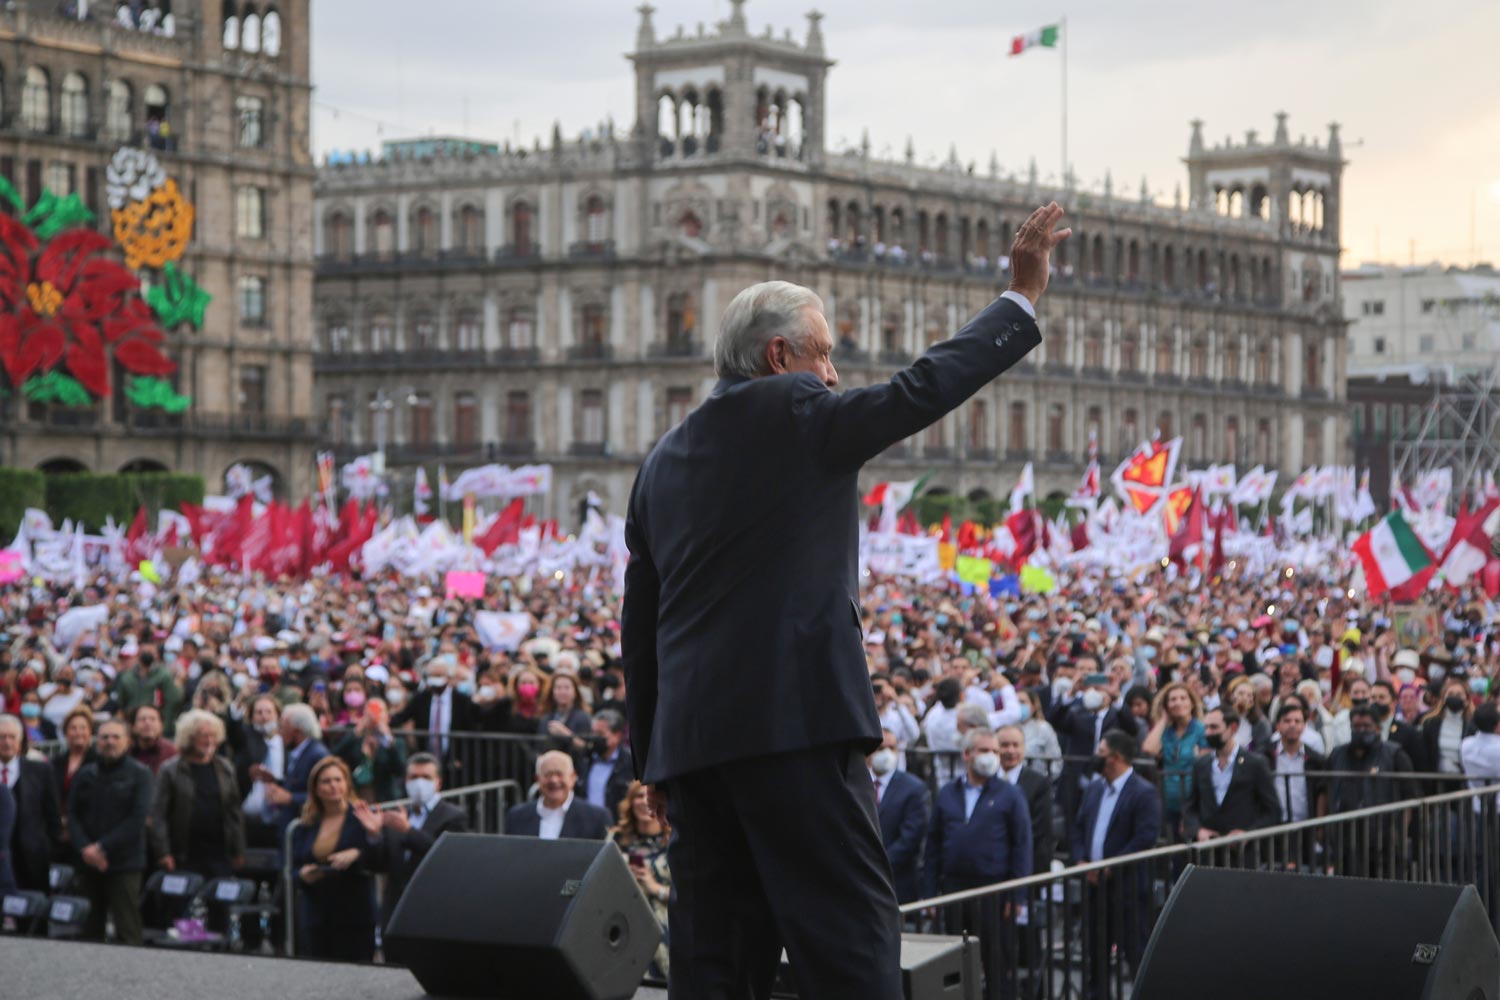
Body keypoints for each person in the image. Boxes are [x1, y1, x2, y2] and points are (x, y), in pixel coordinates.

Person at [622, 204, 1065, 999]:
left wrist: (649, 756)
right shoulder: (795, 411)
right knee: (850, 940)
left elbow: (641, 626)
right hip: (794, 729)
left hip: (692, 751)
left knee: (715, 957)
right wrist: (1019, 302)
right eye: (824, 356)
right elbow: (918, 390)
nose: (834, 377)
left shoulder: (662, 459)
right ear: (780, 353)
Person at [923, 728, 1031, 1000]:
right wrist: (929, 891)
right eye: (985, 751)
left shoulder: (1010, 794)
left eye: (994, 751)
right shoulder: (948, 792)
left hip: (993, 891)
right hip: (954, 889)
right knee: (953, 961)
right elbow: (933, 845)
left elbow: (1021, 845)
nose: (991, 757)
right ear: (967, 754)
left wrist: (1017, 894)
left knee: (996, 961)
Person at [1071, 730, 1161, 1000]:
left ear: (1116, 757)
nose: (1096, 758)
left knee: (1136, 954)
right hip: (1094, 887)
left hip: (1127, 889)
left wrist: (1110, 867)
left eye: (1101, 752)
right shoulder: (1095, 788)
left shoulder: (1143, 792)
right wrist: (1081, 862)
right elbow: (1078, 829)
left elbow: (1145, 837)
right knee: (1096, 954)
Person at [69, 718, 153, 945]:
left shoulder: (140, 774)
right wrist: (86, 849)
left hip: (124, 863)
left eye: (116, 737)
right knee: (88, 928)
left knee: (127, 929)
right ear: (97, 742)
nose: (110, 742)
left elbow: (137, 819)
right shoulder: (85, 774)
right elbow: (73, 815)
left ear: (127, 742)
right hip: (88, 862)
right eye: (105, 737)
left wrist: (102, 848)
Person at [291, 755, 384, 961]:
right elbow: (293, 866)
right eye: (326, 781)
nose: (333, 785)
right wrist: (303, 875)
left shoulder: (361, 816)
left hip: (354, 914)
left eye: (338, 779)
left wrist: (366, 844)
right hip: (317, 914)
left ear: (346, 783)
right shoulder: (307, 823)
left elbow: (378, 859)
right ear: (315, 788)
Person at [378, 752, 469, 933]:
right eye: (413, 777)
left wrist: (408, 831)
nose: (419, 782)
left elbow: (445, 855)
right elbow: (383, 862)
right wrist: (373, 835)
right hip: (395, 911)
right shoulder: (399, 815)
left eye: (426, 777)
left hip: (431, 910)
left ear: (438, 782)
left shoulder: (453, 815)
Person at [151, 709, 245, 879]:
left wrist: (238, 849)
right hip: (183, 854)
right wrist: (163, 853)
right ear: (189, 737)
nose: (209, 740)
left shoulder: (225, 768)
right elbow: (158, 815)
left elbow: (234, 812)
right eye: (203, 735)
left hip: (219, 854)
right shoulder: (170, 770)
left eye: (212, 735)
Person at [1181, 708, 1280, 842]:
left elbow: (1272, 810)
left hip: (1243, 852)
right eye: (1206, 728)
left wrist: (1248, 834)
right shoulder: (1201, 764)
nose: (1208, 732)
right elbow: (1190, 806)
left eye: (1214, 727)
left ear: (1232, 728)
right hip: (1208, 850)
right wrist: (1198, 830)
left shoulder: (1255, 763)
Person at [610, 780, 672, 978]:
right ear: (630, 802)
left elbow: (693, 896)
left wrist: (655, 887)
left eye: (650, 796)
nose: (644, 801)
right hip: (625, 923)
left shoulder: (677, 841)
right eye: (638, 795)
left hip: (667, 928)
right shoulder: (615, 839)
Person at [0, 713, 62, 892]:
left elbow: (53, 816)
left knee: (32, 914)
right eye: (2, 737)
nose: (7, 742)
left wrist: (48, 850)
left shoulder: (41, 771)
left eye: (12, 737)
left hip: (32, 860)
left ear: (20, 741)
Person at [868, 728, 929, 904]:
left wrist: (880, 864)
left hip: (898, 881)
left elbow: (911, 837)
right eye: (881, 748)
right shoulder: (856, 784)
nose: (886, 753)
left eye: (892, 748)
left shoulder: (914, 788)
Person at [1141, 682, 1206, 842]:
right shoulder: (1167, 732)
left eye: (1183, 698)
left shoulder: (1201, 729)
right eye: (1173, 699)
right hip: (1169, 801)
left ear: (1192, 702)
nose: (1178, 702)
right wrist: (1163, 720)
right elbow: (1149, 748)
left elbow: (1204, 762)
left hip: (1194, 801)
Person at [505, 749, 611, 839]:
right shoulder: (517, 817)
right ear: (537, 779)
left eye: (560, 774)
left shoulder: (597, 818)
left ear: (573, 777)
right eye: (548, 774)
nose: (554, 780)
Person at [997, 724, 1054, 873]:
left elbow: (1038, 827)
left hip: (1026, 863)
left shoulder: (1039, 783)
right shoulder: (987, 780)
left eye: (1016, 745)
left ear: (1024, 747)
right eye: (1004, 745)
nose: (1011, 751)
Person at [267, 703, 330, 833]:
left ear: (297, 731)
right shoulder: (299, 752)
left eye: (283, 727)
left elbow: (326, 794)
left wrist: (291, 798)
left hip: (306, 829)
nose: (280, 733)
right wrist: (277, 783)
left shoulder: (317, 755)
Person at [332, 698, 407, 803]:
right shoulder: (355, 740)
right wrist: (355, 733)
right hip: (357, 797)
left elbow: (400, 770)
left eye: (379, 711)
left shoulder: (396, 743)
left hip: (385, 799)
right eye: (369, 711)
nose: (374, 715)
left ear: (387, 717)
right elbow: (334, 757)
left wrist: (388, 740)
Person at [235, 695, 285, 848]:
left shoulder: (286, 744)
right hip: (247, 818)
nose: (264, 717)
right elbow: (234, 729)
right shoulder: (245, 738)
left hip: (279, 818)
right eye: (259, 712)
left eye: (269, 712)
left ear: (277, 715)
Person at [580, 708, 633, 817]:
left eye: (600, 734)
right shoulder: (585, 758)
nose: (595, 738)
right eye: (593, 732)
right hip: (586, 823)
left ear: (617, 736)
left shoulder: (629, 763)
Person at [49, 705, 100, 816]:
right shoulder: (56, 762)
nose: (78, 732)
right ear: (66, 733)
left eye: (83, 728)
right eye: (73, 728)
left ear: (90, 731)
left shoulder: (99, 761)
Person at [1016, 686, 1061, 772]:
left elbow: (1055, 760)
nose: (1018, 705)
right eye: (1016, 702)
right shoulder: (1006, 727)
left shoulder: (1044, 728)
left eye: (1022, 702)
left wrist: (1044, 781)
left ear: (1033, 706)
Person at [127, 703, 178, 774]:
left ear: (161, 725)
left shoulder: (172, 753)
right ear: (133, 726)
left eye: (153, 719)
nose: (147, 723)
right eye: (142, 719)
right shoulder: (126, 752)